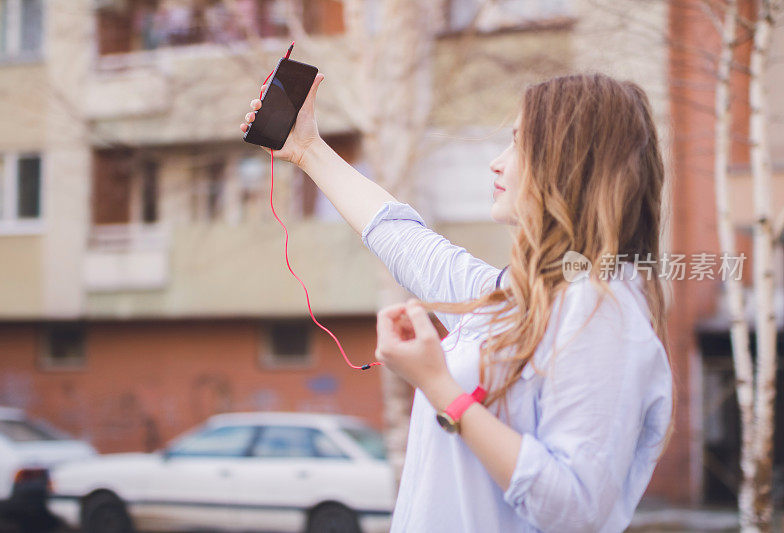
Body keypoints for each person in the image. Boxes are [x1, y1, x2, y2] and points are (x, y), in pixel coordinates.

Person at [240, 71, 675, 532]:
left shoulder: (603, 312)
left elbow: (575, 507)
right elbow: (405, 242)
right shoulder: (518, 300)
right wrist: (308, 149)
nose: (497, 162)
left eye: (520, 143)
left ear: (570, 164)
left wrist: (440, 387)